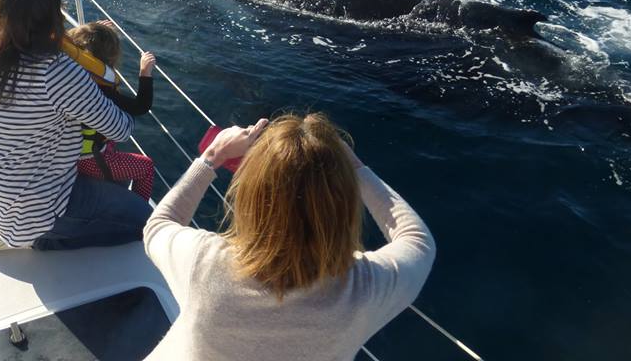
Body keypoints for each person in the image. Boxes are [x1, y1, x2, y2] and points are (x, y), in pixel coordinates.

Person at [143, 112, 436, 361]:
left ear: (249, 197)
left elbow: (158, 225)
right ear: (345, 207)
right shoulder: (363, 291)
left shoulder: (203, 265)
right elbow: (417, 240)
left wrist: (213, 156)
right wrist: (353, 165)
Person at [0, 0, 151, 252]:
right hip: (46, 209)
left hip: (3, 190)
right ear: (52, 14)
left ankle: (15, 222)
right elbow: (120, 129)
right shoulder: (57, 71)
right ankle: (46, 239)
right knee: (146, 222)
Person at [65, 22, 157, 200]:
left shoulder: (69, 75)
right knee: (146, 167)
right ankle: (139, 215)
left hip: (69, 152)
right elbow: (141, 106)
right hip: (88, 160)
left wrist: (93, 30)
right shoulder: (102, 90)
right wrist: (145, 72)